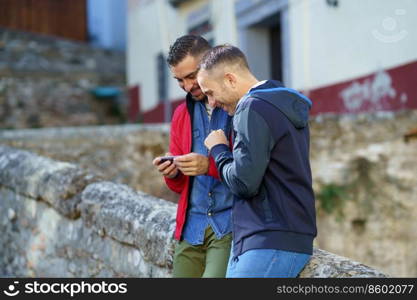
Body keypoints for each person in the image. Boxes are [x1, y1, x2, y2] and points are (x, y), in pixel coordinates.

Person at [198, 45, 317, 278]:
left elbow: (244, 183)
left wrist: (219, 149)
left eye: (210, 93)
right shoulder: (276, 102)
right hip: (272, 237)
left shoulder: (252, 107)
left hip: (269, 240)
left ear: (230, 79)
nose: (211, 103)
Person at [152, 36, 234, 278]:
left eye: (191, 76)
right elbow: (179, 187)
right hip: (191, 227)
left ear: (211, 62)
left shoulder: (237, 106)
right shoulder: (180, 114)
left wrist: (208, 165)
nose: (187, 86)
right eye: (179, 80)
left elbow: (251, 170)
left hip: (230, 225)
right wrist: (173, 172)